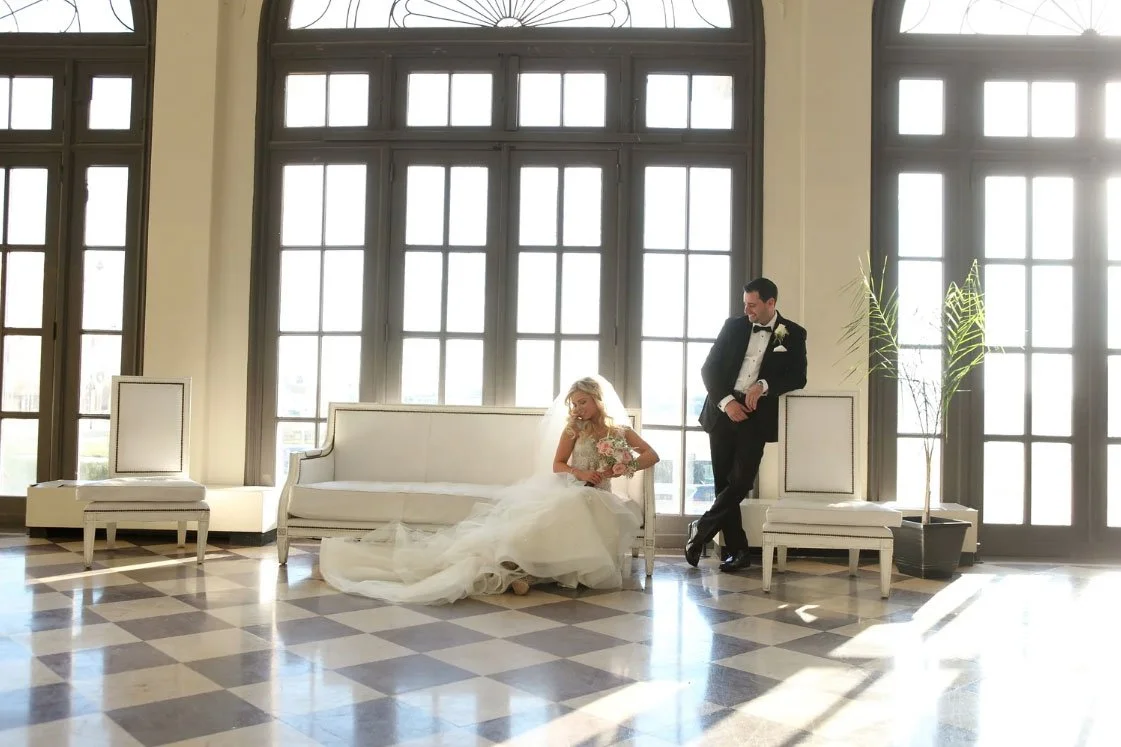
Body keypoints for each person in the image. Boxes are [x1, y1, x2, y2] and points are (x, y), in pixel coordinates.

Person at [317, 376, 659, 605]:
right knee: (559, 510)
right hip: (572, 486)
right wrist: (580, 471)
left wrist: (622, 467)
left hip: (600, 494)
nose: (578, 409)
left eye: (583, 403)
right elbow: (558, 464)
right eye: (575, 404)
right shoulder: (574, 431)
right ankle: (516, 568)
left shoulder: (619, 432)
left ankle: (528, 574)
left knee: (585, 507)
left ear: (597, 401)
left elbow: (651, 455)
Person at [686, 278, 807, 572]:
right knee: (723, 484)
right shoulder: (733, 326)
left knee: (741, 481)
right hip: (723, 410)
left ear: (771, 303)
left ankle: (701, 531)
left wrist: (764, 385)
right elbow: (709, 368)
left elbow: (798, 376)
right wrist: (727, 402)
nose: (747, 309)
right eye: (745, 303)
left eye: (752, 305)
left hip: (757, 416)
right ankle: (738, 551)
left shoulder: (792, 334)